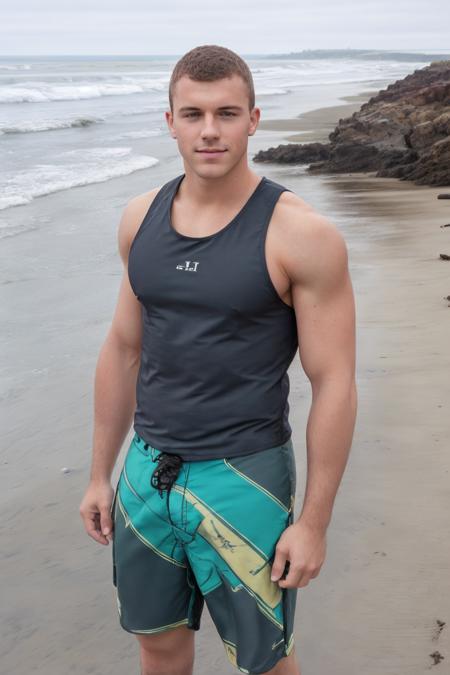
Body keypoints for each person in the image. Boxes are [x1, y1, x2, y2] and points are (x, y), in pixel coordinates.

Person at [79, 44, 357, 675]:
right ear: (170, 119)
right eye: (194, 113)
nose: (210, 130)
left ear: (253, 120)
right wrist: (101, 473)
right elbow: (124, 347)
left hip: (244, 480)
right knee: (158, 645)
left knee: (265, 663)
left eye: (227, 113)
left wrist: (313, 523)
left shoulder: (301, 235)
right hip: (146, 476)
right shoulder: (138, 218)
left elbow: (334, 380)